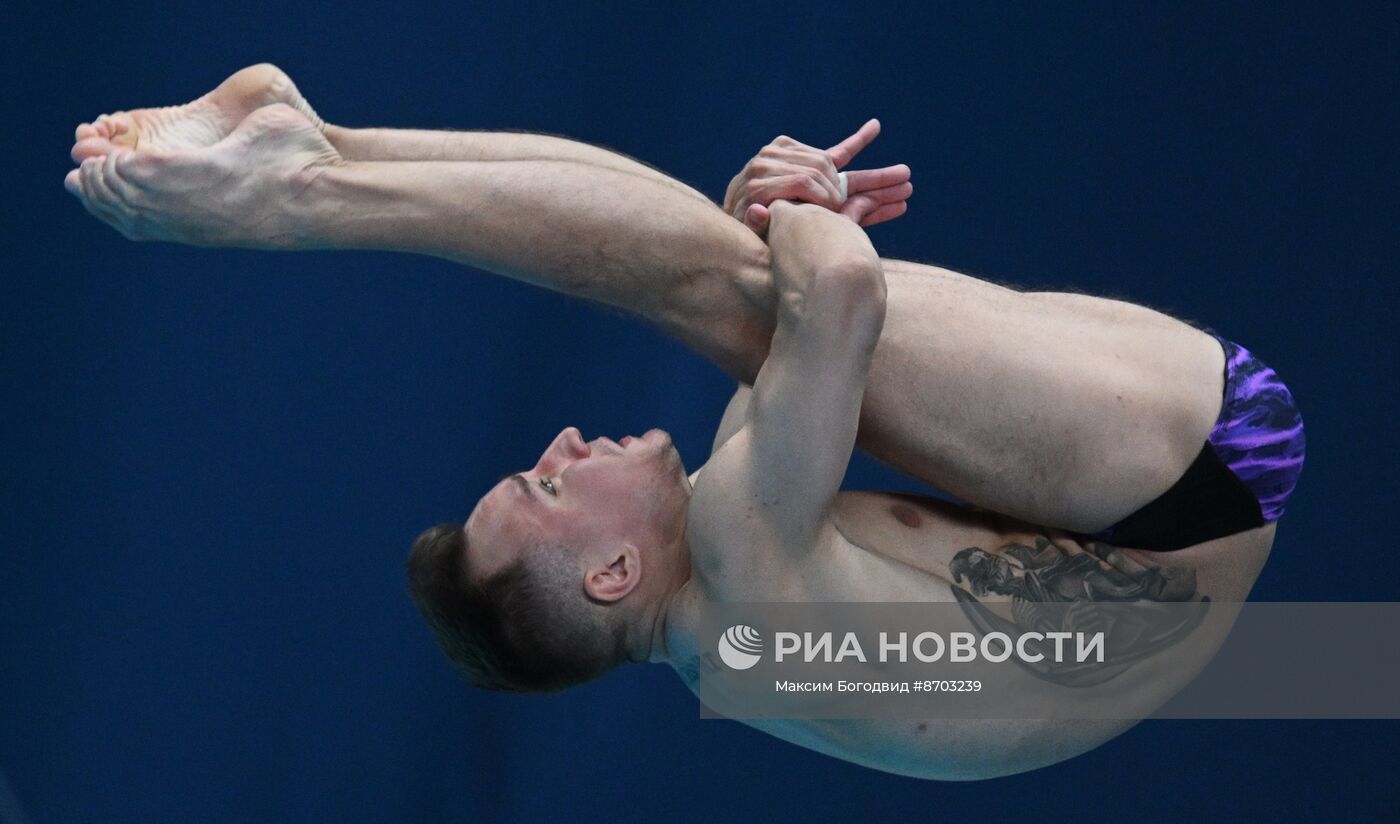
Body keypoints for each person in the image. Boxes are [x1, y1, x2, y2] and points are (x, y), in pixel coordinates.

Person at [66, 64, 1304, 779]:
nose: (556, 448)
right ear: (611, 572)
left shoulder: (733, 622)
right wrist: (796, 203)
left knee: (736, 282)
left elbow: (808, 310)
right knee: (739, 289)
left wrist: (772, 223)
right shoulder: (743, 571)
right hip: (1196, 468)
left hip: (1164, 510)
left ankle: (326, 149)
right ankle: (306, 187)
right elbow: (845, 292)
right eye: (546, 488)